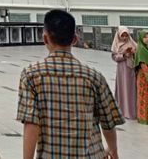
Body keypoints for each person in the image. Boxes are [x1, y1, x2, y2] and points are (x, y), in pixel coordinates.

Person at [17, 9, 123, 159]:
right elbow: (108, 123)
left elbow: (31, 124)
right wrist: (113, 151)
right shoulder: (93, 76)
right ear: (74, 39)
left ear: (45, 39)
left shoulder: (31, 75)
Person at [110, 26, 137, 120]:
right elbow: (114, 57)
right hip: (122, 69)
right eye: (123, 35)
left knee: (131, 89)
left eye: (126, 35)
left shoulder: (132, 43)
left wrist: (133, 53)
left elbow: (138, 53)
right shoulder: (116, 44)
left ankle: (132, 111)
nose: (125, 37)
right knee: (123, 88)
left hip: (131, 69)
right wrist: (124, 55)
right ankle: (122, 110)